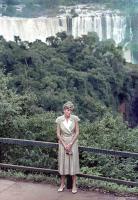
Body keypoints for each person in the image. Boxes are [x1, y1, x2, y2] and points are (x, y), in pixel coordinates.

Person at [56, 101, 80, 194]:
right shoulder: (59, 119)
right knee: (63, 164)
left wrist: (70, 144)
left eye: (70, 110)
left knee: (73, 164)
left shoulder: (75, 119)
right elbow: (58, 133)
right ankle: (62, 184)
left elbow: (77, 132)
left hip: (73, 142)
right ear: (64, 110)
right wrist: (64, 144)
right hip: (62, 143)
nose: (68, 112)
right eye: (67, 110)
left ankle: (74, 185)